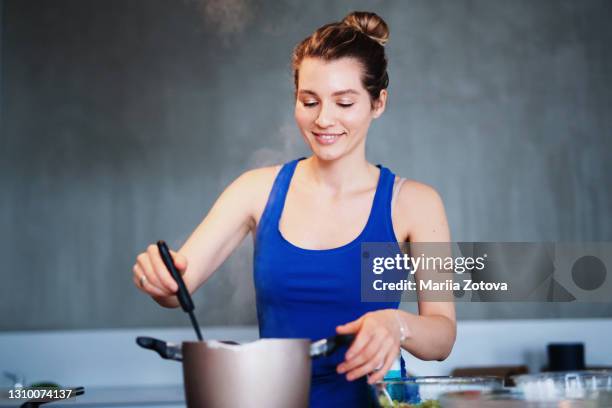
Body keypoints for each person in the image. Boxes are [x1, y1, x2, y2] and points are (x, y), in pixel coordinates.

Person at [132, 11, 456, 407]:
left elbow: (442, 337)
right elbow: (176, 286)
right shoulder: (255, 190)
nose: (324, 119)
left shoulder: (415, 204)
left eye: (344, 102)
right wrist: (160, 280)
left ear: (378, 103)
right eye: (310, 101)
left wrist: (397, 324)